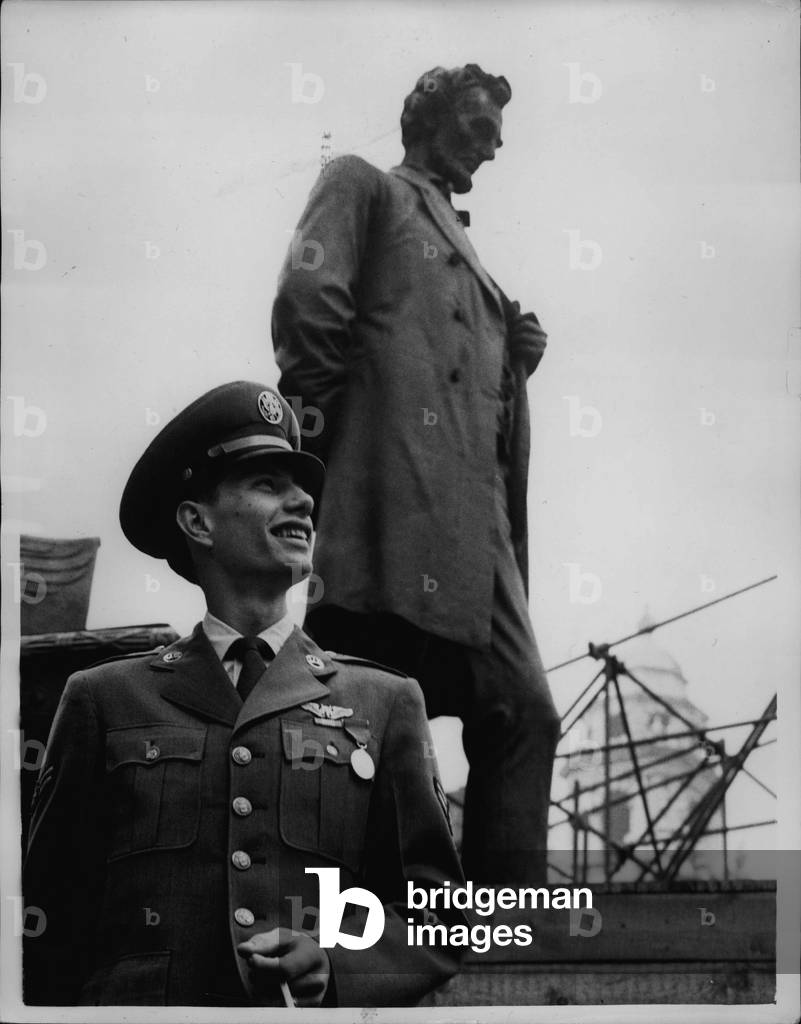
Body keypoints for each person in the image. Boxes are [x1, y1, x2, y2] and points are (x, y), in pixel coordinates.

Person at [22, 382, 466, 1008]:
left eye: (302, 487)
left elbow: (439, 919)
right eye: (267, 483)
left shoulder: (386, 702)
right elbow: (44, 925)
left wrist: (335, 964)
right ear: (196, 521)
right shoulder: (102, 699)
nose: (303, 501)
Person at [272, 64, 561, 885]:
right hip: (389, 504)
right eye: (478, 128)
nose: (493, 146)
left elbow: (453, 377)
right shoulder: (362, 184)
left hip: (479, 534)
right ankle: (354, 932)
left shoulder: (471, 253)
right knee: (355, 719)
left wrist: (512, 359)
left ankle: (509, 928)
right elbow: (308, 308)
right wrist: (332, 457)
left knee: (523, 712)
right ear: (429, 118)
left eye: (497, 136)